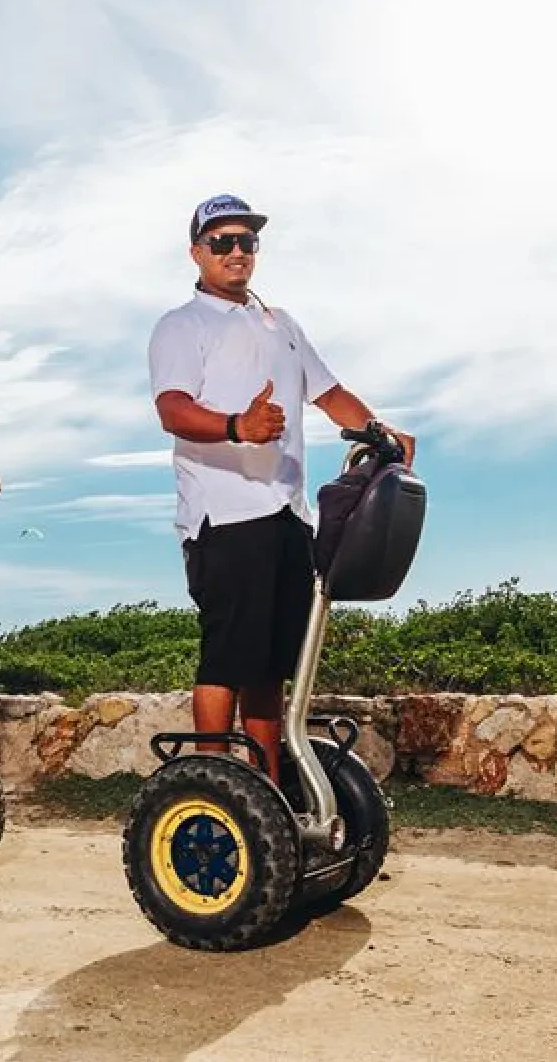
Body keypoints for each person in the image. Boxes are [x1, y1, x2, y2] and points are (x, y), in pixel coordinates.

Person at [147, 194, 415, 782]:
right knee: (226, 656)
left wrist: (378, 428)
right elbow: (172, 409)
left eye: (247, 241)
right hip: (223, 516)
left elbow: (329, 394)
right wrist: (237, 426)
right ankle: (211, 784)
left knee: (268, 667)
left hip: (285, 514)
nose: (236, 251)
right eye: (222, 242)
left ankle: (265, 786)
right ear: (197, 252)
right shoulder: (180, 325)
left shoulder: (280, 322)